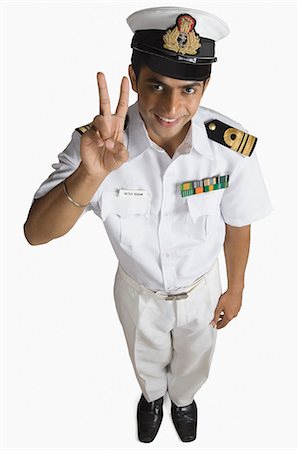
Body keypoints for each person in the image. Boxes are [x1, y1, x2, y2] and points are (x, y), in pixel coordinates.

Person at [23, 6, 273, 443]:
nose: (172, 107)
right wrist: (92, 173)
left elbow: (238, 222)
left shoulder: (230, 147)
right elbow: (36, 234)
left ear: (205, 87)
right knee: (144, 358)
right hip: (137, 289)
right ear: (133, 77)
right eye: (156, 85)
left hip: (201, 287)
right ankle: (153, 397)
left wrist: (236, 289)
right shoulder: (97, 142)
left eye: (188, 89)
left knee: (197, 361)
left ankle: (183, 400)